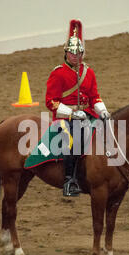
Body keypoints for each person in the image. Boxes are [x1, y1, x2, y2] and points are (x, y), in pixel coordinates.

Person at [45, 19, 111, 197]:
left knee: (109, 131)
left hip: (87, 113)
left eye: (79, 53)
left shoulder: (88, 72)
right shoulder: (58, 73)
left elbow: (94, 96)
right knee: (75, 137)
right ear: (66, 53)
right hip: (65, 117)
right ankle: (69, 180)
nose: (76, 57)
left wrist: (102, 111)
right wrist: (73, 113)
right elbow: (51, 102)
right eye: (72, 53)